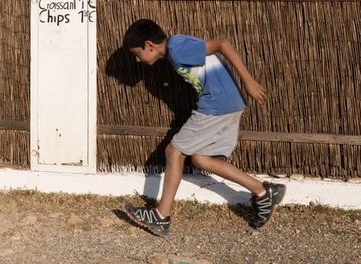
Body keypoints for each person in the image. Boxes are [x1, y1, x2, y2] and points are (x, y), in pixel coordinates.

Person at [120, 18, 285, 237]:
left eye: (136, 53)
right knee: (201, 159)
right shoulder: (176, 47)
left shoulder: (177, 49)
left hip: (216, 104)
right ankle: (263, 191)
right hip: (229, 104)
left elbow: (222, 44)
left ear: (149, 45)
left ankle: (161, 215)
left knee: (174, 151)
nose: (138, 60)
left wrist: (248, 80)